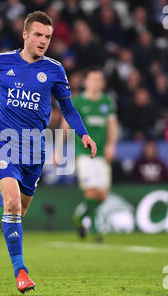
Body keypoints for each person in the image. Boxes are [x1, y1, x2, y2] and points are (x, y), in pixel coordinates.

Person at [0, 11, 96, 293]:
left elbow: (67, 108)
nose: (43, 41)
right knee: (13, 206)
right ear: (25, 34)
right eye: (38, 35)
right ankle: (21, 271)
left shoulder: (55, 70)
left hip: (35, 149)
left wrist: (83, 133)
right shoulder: (0, 62)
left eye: (48, 37)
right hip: (4, 142)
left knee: (18, 210)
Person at [66, 68, 117, 241]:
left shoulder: (106, 102)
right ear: (86, 82)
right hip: (84, 154)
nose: (96, 82)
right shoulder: (77, 102)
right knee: (92, 191)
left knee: (102, 195)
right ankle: (95, 230)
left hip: (102, 154)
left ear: (103, 83)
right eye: (93, 79)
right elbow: (65, 125)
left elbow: (112, 125)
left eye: (99, 79)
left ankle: (81, 218)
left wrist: (111, 145)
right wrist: (58, 149)